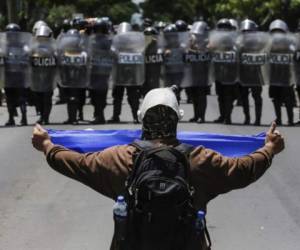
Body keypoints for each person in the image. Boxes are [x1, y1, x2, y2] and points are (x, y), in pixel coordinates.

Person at [32, 86, 284, 250]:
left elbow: (75, 164)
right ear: (177, 119)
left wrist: (46, 145)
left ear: (142, 118)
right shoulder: (200, 159)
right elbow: (244, 169)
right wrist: (269, 149)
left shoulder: (120, 158)